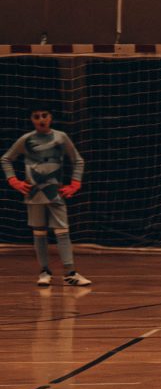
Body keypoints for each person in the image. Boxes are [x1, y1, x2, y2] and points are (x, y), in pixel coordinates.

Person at [4, 107, 87, 288]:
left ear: (51, 117)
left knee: (62, 232)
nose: (41, 119)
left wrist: (75, 183)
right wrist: (14, 181)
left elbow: (78, 160)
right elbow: (6, 159)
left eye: (44, 115)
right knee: (39, 233)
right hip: (34, 195)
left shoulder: (61, 137)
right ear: (32, 119)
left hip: (55, 194)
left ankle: (70, 273)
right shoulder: (26, 139)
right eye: (36, 116)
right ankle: (44, 272)